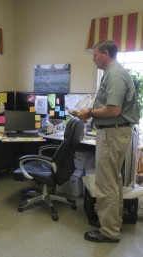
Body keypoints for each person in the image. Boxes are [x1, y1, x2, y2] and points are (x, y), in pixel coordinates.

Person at [77, 40, 139, 243]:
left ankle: (109, 232)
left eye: (95, 55)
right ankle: (114, 223)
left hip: (113, 133)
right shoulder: (112, 73)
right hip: (114, 133)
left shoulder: (115, 74)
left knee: (105, 184)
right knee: (113, 182)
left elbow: (113, 110)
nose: (93, 59)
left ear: (105, 53)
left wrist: (89, 112)